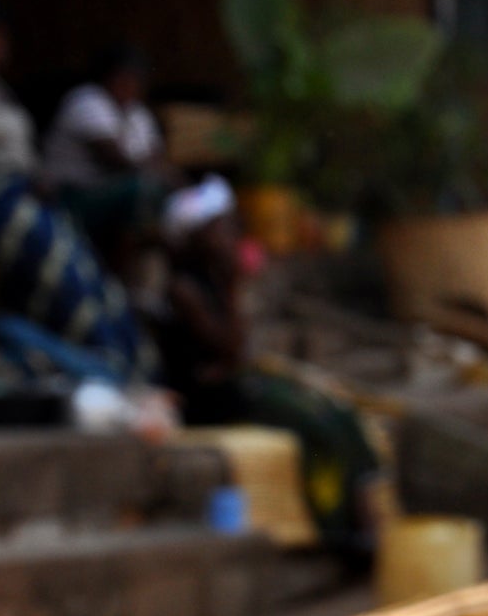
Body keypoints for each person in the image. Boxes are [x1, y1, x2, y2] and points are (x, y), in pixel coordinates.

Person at [154, 177, 381, 555]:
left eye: (229, 227)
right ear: (194, 239)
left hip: (236, 382)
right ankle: (338, 531)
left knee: (340, 414)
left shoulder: (211, 280)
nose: (228, 237)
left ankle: (365, 516)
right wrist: (233, 286)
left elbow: (235, 356)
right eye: (218, 230)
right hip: (210, 399)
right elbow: (230, 349)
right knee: (315, 427)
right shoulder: (185, 289)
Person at [0, 0, 153, 381]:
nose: (0, 46)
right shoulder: (84, 104)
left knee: (82, 261)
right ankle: (98, 359)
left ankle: (126, 357)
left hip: (25, 192)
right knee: (40, 245)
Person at [44, 47, 166, 267]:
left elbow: (157, 158)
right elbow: (113, 159)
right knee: (142, 190)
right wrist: (154, 169)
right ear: (107, 78)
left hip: (110, 194)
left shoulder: (137, 113)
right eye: (123, 77)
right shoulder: (86, 101)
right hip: (72, 197)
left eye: (136, 79)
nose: (130, 85)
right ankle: (118, 278)